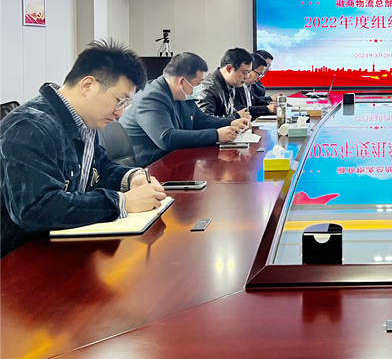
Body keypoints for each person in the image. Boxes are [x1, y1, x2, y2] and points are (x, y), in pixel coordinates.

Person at [0, 40, 165, 258]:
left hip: (63, 248)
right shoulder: (30, 126)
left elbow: (100, 168)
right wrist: (121, 203)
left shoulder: (83, 121)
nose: (120, 113)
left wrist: (131, 178)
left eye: (126, 105)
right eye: (119, 101)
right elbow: (36, 209)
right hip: (19, 259)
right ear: (88, 85)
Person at [120, 52, 249, 167]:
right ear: (182, 81)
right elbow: (166, 138)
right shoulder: (151, 97)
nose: (200, 87)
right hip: (149, 168)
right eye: (198, 83)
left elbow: (201, 120)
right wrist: (217, 135)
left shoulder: (183, 93)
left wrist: (231, 122)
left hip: (173, 161)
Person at [196, 48, 253, 121]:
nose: (247, 77)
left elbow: (227, 112)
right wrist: (236, 116)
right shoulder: (208, 88)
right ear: (229, 68)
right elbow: (205, 120)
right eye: (244, 72)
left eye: (248, 72)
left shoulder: (231, 85)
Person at [234, 53, 276, 117]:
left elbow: (255, 100)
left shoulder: (249, 86)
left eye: (262, 74)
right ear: (250, 70)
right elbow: (239, 108)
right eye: (259, 74)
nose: (260, 77)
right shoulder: (236, 86)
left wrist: (270, 104)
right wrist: (266, 109)